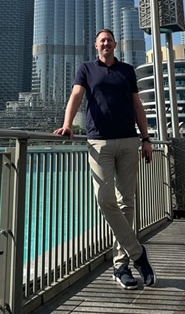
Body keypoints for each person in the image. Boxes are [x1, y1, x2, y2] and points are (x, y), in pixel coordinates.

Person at [53, 29, 155, 290]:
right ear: (96, 46)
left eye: (109, 40)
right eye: (102, 40)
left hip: (129, 142)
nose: (106, 43)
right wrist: (67, 125)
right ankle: (138, 254)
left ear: (115, 44)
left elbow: (137, 105)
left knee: (127, 203)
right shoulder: (86, 68)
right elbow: (76, 96)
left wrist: (146, 139)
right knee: (105, 199)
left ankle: (121, 265)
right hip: (99, 142)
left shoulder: (127, 71)